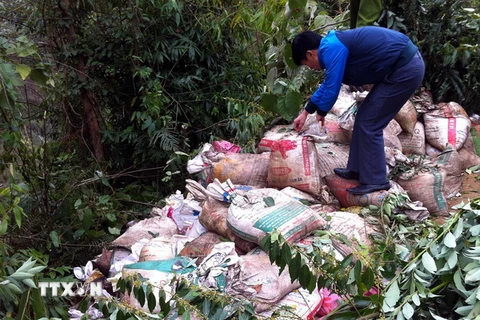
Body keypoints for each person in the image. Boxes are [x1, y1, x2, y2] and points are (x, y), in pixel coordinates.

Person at [291, 26, 425, 195]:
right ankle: (356, 169)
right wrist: (305, 112)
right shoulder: (331, 45)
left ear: (310, 54)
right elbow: (327, 85)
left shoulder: (332, 48)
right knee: (363, 117)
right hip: (397, 69)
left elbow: (332, 89)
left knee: (370, 124)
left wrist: (322, 112)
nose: (310, 67)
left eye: (306, 64)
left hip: (404, 68)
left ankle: (376, 180)